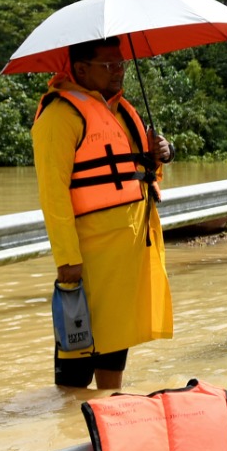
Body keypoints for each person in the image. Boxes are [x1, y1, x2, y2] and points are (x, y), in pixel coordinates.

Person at [31, 37, 174, 390]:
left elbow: (142, 174)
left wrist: (163, 154)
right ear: (80, 69)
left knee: (115, 340)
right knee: (77, 345)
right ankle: (69, 424)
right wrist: (67, 258)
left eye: (120, 64)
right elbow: (53, 194)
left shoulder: (124, 111)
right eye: (108, 65)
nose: (118, 71)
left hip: (129, 249)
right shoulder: (59, 116)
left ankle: (109, 412)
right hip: (89, 255)